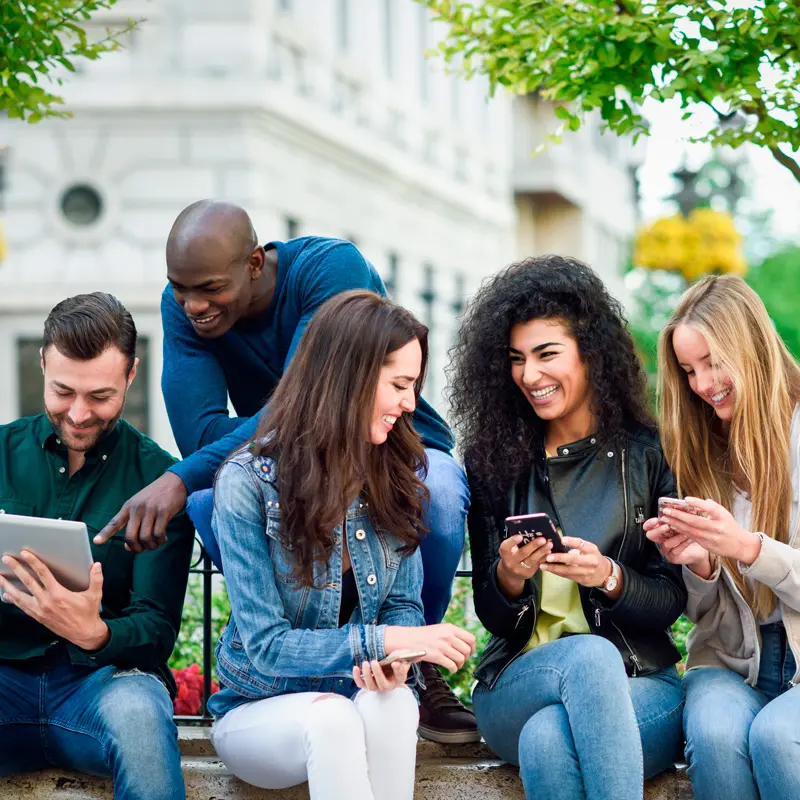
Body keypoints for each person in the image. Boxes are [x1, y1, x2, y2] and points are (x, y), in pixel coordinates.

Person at [96, 200, 476, 742]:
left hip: (387, 448)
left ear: (254, 263)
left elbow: (310, 396)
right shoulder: (184, 304)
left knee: (431, 488)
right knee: (214, 497)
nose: (192, 305)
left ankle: (420, 663)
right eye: (180, 289)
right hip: (282, 466)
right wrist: (210, 471)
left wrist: (178, 477)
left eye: (208, 288)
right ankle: (292, 656)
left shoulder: (329, 269)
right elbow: (203, 436)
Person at [207, 290, 476, 799]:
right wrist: (383, 642)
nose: (409, 403)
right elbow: (266, 647)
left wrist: (396, 661)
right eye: (398, 384)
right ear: (349, 378)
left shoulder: (397, 475)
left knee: (394, 702)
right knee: (331, 719)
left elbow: (401, 604)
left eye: (412, 386)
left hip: (355, 698)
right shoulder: (248, 483)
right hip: (260, 711)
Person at [448, 256, 687, 799]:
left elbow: (672, 600)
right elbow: (493, 613)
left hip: (639, 682)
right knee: (583, 659)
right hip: (521, 679)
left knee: (549, 741)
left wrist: (609, 576)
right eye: (516, 359)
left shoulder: (650, 456)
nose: (529, 375)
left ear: (592, 354)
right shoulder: (492, 459)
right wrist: (509, 578)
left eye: (546, 353)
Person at [0, 293, 194, 800]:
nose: (79, 414)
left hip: (106, 684)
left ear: (131, 375)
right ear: (43, 362)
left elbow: (156, 628)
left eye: (100, 396)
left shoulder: (157, 480)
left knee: (140, 718)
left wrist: (96, 633)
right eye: (63, 391)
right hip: (4, 680)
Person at [645, 275, 800, 800]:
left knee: (779, 738)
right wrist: (701, 566)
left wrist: (746, 549)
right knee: (713, 733)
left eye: (712, 362)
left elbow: (752, 553)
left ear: (751, 347)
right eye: (689, 370)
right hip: (731, 661)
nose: (702, 384)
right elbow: (704, 615)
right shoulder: (699, 449)